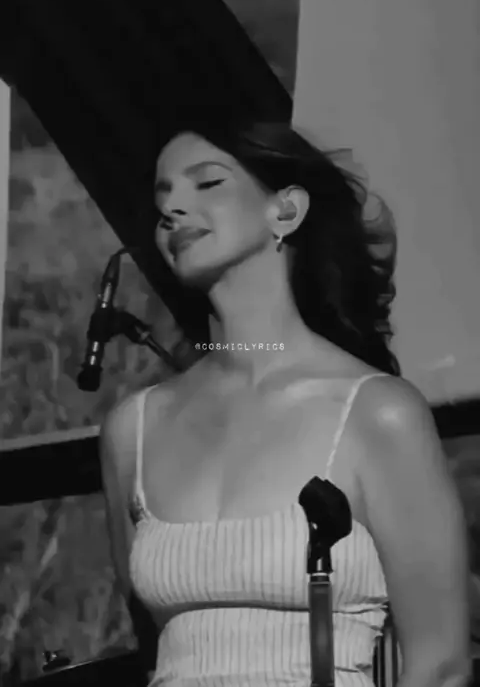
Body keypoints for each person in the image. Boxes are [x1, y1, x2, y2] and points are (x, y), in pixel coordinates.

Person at [100, 117, 471, 687]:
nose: (172, 208)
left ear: (286, 211)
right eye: (162, 198)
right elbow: (150, 649)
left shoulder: (377, 412)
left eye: (207, 183)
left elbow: (440, 665)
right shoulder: (134, 428)